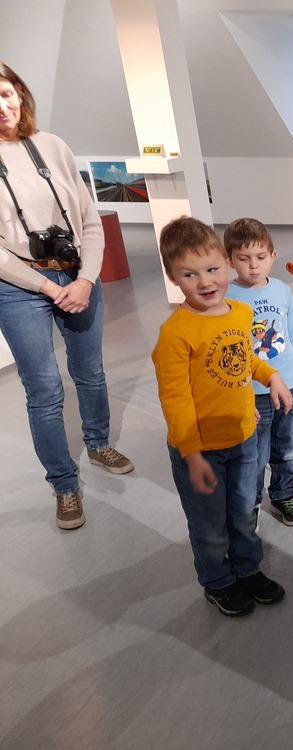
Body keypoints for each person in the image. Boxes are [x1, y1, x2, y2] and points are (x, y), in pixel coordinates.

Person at [0, 61, 133, 531]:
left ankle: (98, 444)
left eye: (4, 94)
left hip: (78, 277)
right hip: (18, 288)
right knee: (43, 389)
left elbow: (89, 220)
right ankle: (63, 484)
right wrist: (45, 287)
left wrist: (85, 280)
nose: (1, 107)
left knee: (90, 373)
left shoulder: (52, 146)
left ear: (19, 93)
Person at [151, 216, 293, 617]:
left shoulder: (239, 313)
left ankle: (247, 569)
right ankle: (217, 581)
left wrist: (271, 375)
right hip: (200, 451)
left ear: (226, 266)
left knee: (244, 514)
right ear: (172, 277)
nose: (205, 281)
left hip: (243, 437)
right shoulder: (175, 334)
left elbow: (245, 358)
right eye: (189, 274)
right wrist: (192, 454)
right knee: (210, 526)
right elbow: (175, 399)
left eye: (212, 269)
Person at [224, 218, 293, 527]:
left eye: (261, 257)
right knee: (254, 456)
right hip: (255, 392)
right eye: (243, 258)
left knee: (288, 448)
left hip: (289, 386)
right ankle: (250, 503)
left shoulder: (282, 290)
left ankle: (283, 494)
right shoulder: (228, 296)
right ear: (229, 261)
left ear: (273, 256)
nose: (253, 266)